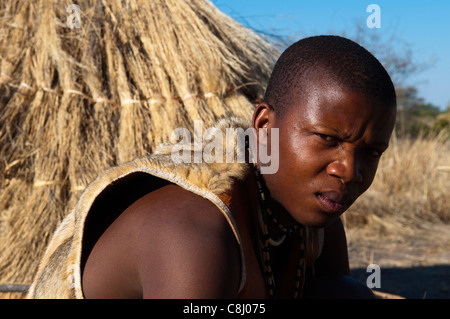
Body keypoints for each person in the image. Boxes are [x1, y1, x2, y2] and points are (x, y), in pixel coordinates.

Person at [27, 35, 396, 299]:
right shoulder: (191, 232)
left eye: (371, 152)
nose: (350, 170)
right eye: (327, 139)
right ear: (264, 127)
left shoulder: (314, 218)